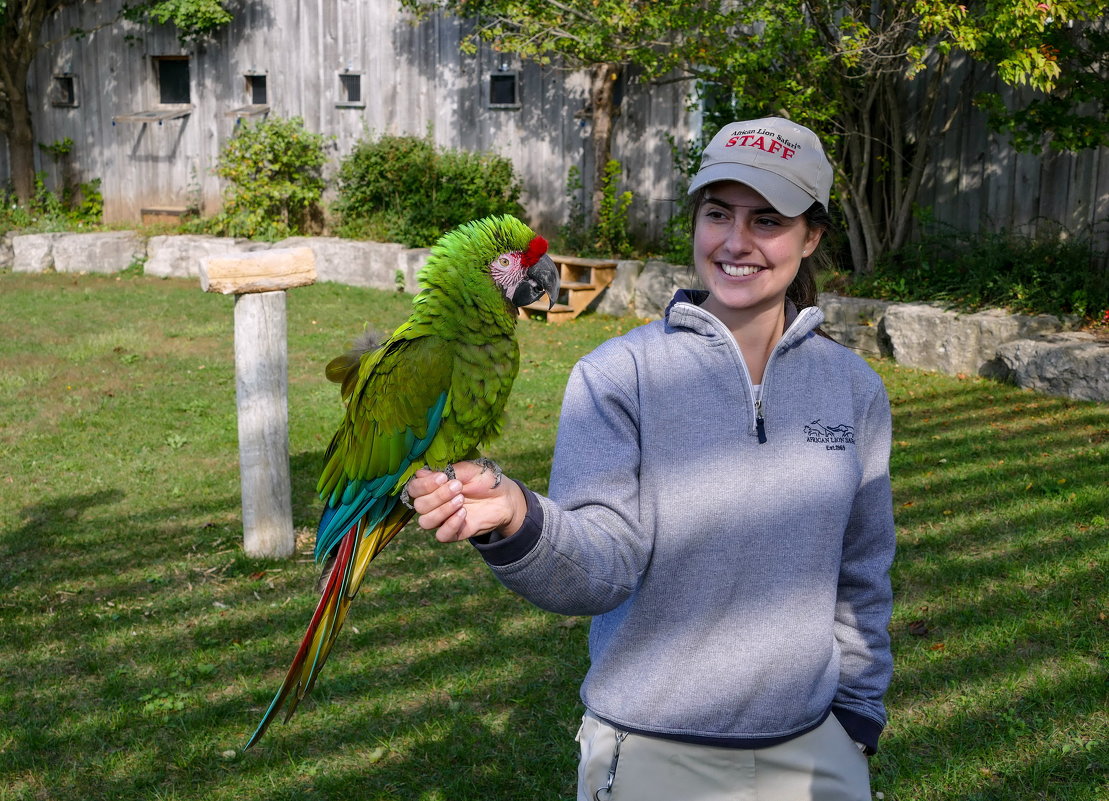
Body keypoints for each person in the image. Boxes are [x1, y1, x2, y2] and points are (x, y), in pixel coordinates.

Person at [405, 117, 896, 801]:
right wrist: (519, 518)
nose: (735, 241)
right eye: (717, 213)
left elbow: (861, 569)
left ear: (810, 236)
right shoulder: (618, 374)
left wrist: (855, 717)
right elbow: (600, 567)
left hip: (816, 753)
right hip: (653, 756)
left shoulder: (853, 389)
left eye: (767, 220)